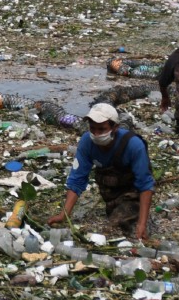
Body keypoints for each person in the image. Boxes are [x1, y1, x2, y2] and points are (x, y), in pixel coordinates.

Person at [47, 103, 154, 241]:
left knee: (114, 230)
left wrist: (142, 224)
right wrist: (63, 214)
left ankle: (141, 216)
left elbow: (145, 185)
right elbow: (77, 179)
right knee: (114, 219)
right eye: (93, 129)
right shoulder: (87, 142)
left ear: (115, 128)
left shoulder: (133, 145)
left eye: (102, 129)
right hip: (111, 195)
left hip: (133, 193)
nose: (96, 134)